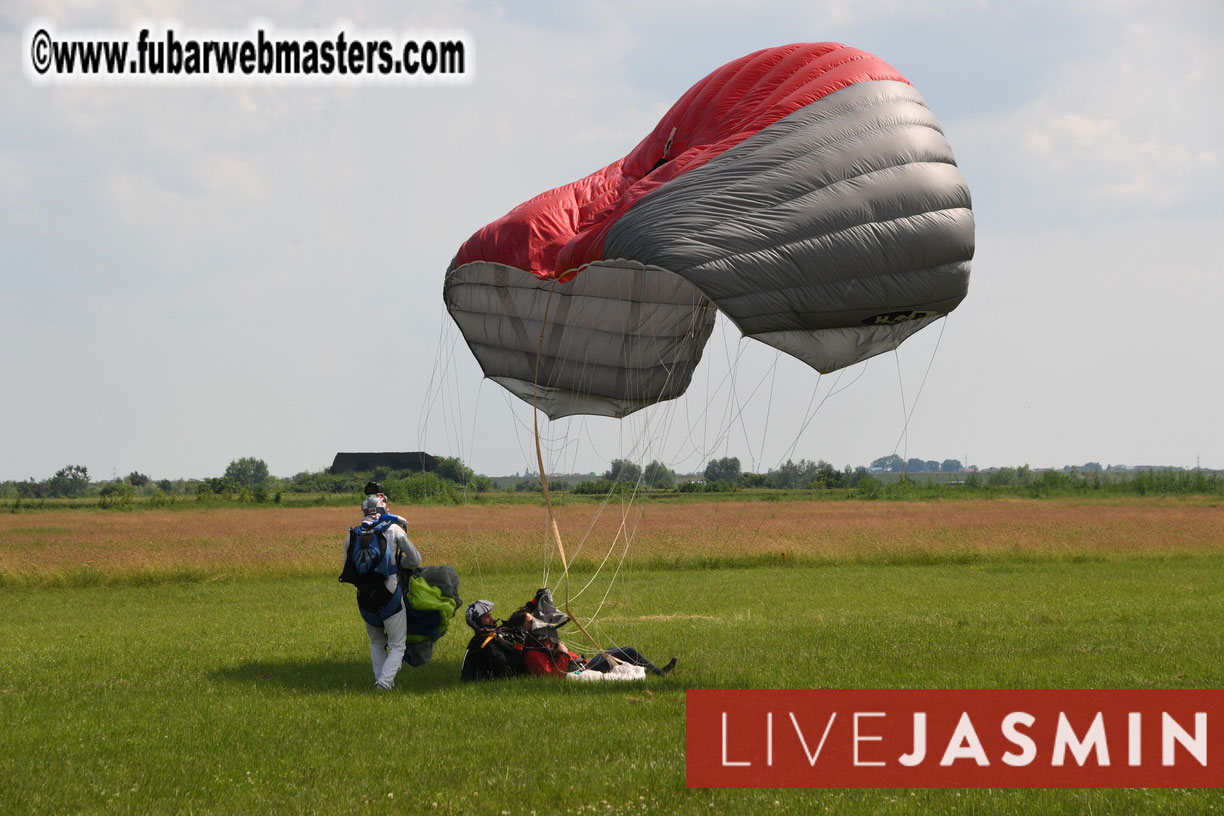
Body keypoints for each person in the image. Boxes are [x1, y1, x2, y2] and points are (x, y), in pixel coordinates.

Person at [339, 492, 422, 691]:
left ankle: (382, 683)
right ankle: (384, 684)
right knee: (397, 645)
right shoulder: (393, 529)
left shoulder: (352, 536)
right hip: (389, 593)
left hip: (364, 597)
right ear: (384, 509)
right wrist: (400, 563)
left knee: (376, 642)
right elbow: (415, 559)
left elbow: (347, 567)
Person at [506, 595, 677, 678]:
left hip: (582, 666)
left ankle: (652, 671)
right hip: (580, 673)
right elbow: (554, 677)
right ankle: (659, 674)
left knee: (616, 652)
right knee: (627, 652)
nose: (536, 623)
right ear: (522, 630)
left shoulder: (539, 642)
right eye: (530, 622)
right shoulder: (531, 654)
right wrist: (562, 653)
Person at [459, 600, 526, 682]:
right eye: (487, 617)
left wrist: (534, 602)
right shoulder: (487, 644)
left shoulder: (481, 637)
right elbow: (508, 671)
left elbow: (514, 621)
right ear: (477, 622)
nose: (492, 619)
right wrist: (519, 644)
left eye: (490, 615)